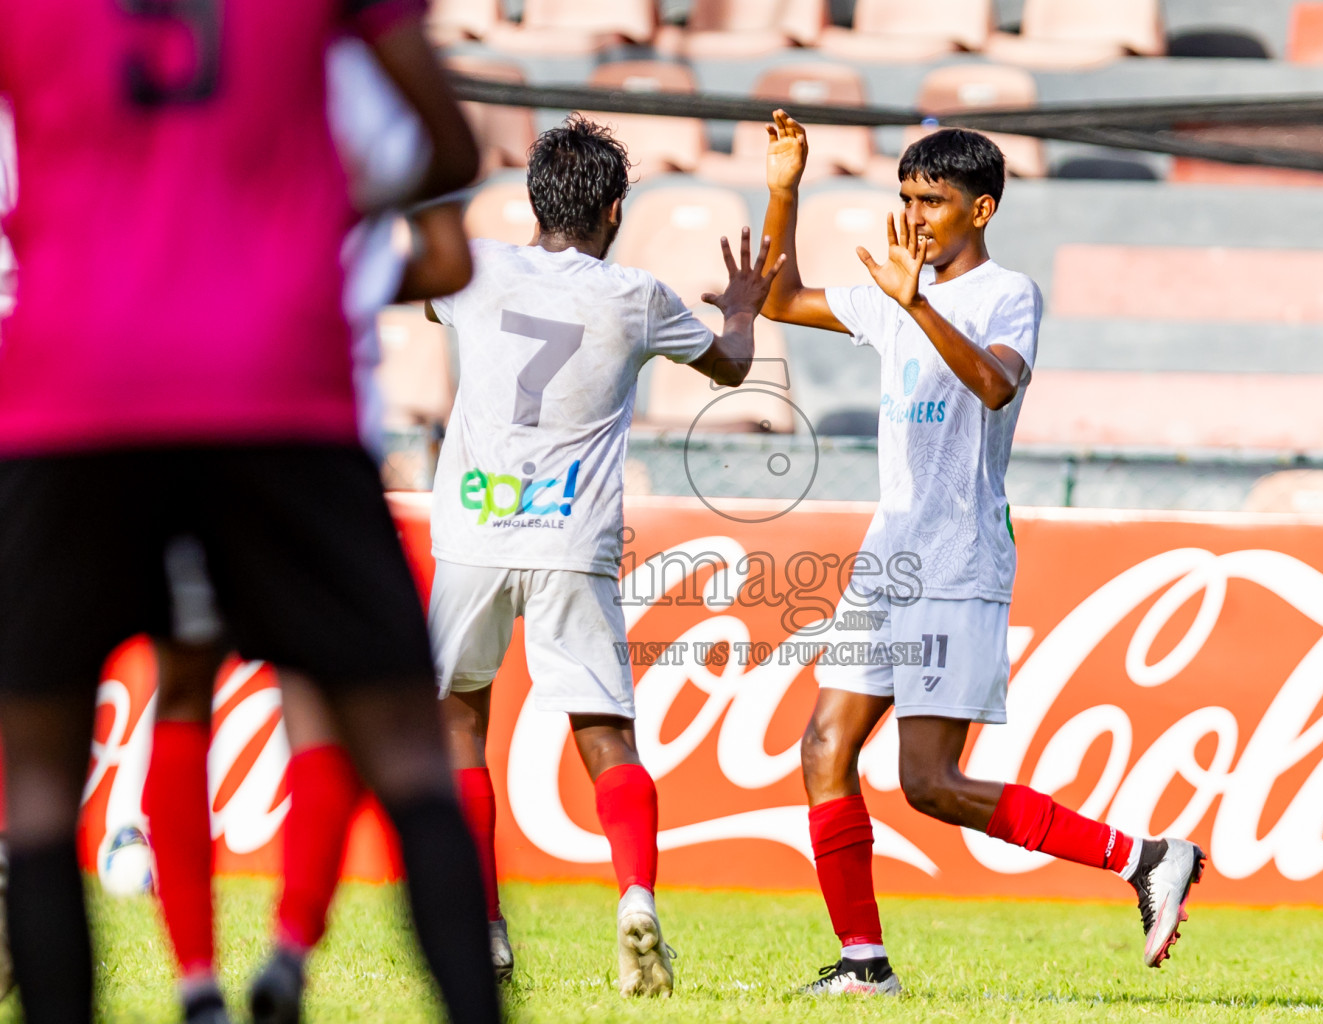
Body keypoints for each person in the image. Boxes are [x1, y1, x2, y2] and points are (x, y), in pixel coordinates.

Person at [0, 6, 500, 1024]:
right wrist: (311, 209)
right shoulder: (312, 27)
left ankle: (193, 978)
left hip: (74, 386)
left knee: (44, 779)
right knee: (404, 744)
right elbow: (451, 157)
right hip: (280, 382)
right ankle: (300, 952)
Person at [757, 111, 1205, 996]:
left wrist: (913, 302)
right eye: (907, 198)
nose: (917, 215)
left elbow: (996, 385)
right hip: (892, 556)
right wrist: (784, 188)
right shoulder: (896, 289)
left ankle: (1148, 857)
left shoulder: (1006, 294)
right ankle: (862, 962)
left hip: (958, 558)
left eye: (936, 200)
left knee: (928, 782)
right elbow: (776, 300)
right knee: (822, 748)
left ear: (983, 208)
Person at [140, 36, 481, 1024]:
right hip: (322, 431)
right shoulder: (362, 79)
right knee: (333, 707)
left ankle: (196, 977)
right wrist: (362, 266)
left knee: (182, 695)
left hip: (184, 415)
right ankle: (291, 948)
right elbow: (450, 256)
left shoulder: (180, 66)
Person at [425, 114, 783, 998]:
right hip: (571, 541)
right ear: (616, 209)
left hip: (472, 534)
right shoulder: (637, 295)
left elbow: (424, 289)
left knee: (461, 723)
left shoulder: (475, 270)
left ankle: (484, 924)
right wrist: (740, 307)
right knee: (604, 732)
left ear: (531, 202)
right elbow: (735, 365)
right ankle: (634, 896)